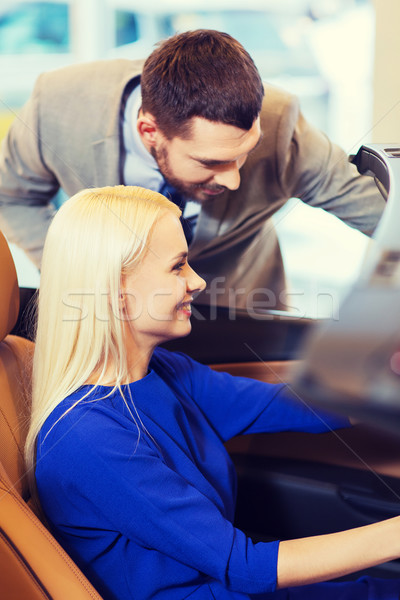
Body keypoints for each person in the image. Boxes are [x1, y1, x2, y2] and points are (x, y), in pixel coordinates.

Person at [26, 184, 400, 600]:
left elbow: (287, 406)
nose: (198, 281)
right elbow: (245, 568)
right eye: (178, 267)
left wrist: (386, 377)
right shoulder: (87, 438)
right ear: (118, 292)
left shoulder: (163, 371)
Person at [0, 30, 385, 310]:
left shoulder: (283, 125)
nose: (233, 178)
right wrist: (81, 270)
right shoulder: (56, 106)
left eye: (244, 153)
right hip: (103, 318)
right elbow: (11, 197)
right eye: (211, 162)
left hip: (240, 316)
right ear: (149, 131)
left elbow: (383, 216)